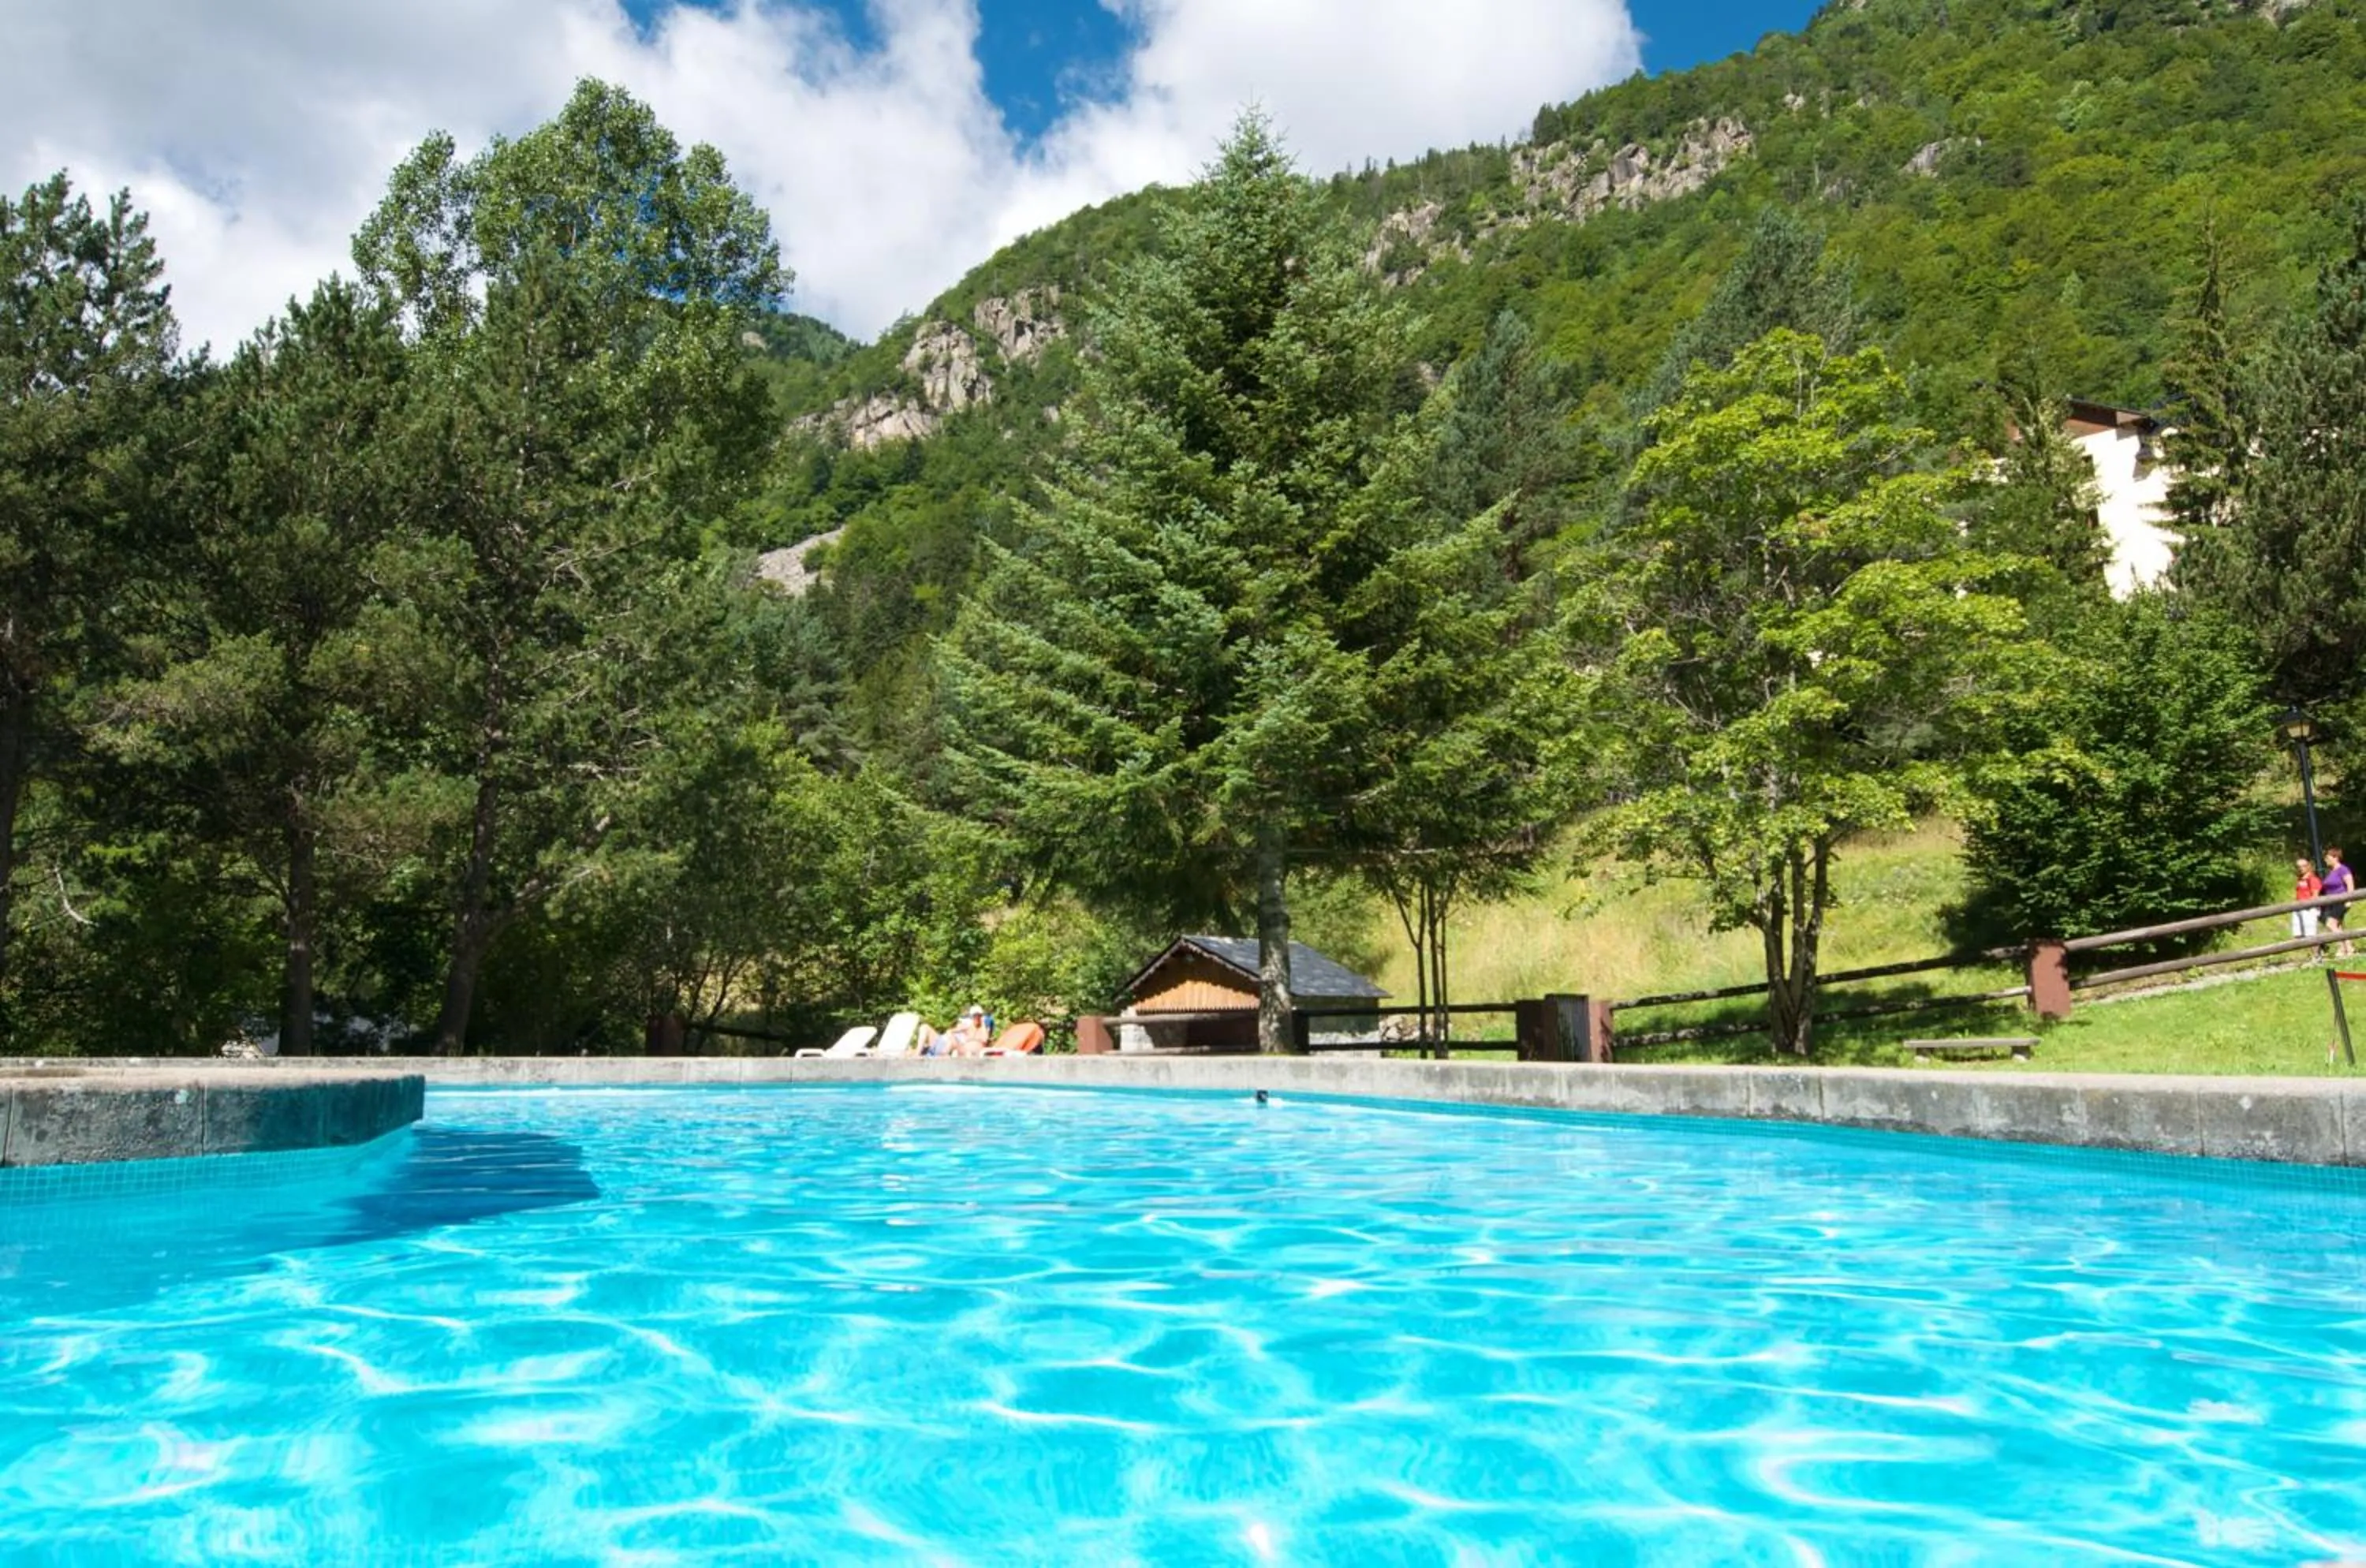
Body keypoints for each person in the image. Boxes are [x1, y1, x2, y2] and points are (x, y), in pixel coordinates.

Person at [2324, 847, 2355, 959]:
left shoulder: (2343, 869)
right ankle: (2349, 948)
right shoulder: (2331, 871)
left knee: (2330, 924)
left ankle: (2341, 947)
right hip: (2332, 902)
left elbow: (2350, 884)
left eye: (2328, 858)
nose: (2326, 860)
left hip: (2341, 901)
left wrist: (2349, 899)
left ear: (2335, 857)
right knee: (2339, 926)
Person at [2296, 857, 2324, 952]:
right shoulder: (2300, 879)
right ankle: (2315, 953)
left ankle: (2317, 955)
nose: (2301, 868)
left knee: (2311, 933)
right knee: (2302, 934)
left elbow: (2315, 895)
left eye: (2303, 866)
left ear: (2308, 866)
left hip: (2310, 909)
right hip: (2300, 908)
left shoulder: (2313, 879)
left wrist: (2309, 905)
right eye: (2299, 867)